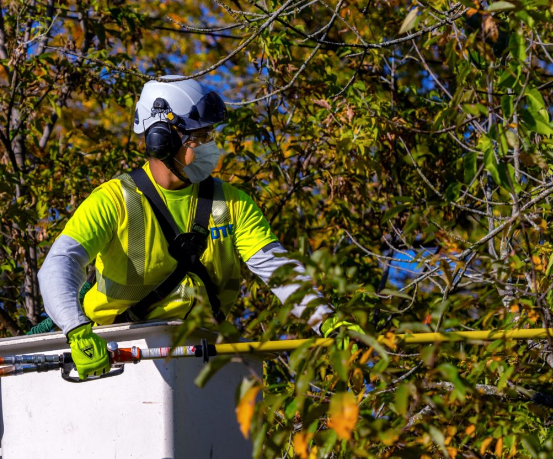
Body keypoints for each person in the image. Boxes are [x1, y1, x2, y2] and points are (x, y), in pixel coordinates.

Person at [38, 76, 357, 379]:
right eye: (199, 137)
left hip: (199, 354)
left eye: (210, 136)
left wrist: (327, 321)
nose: (210, 146)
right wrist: (77, 330)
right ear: (161, 140)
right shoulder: (115, 200)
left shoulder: (232, 204)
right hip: (113, 353)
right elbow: (58, 265)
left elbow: (278, 270)